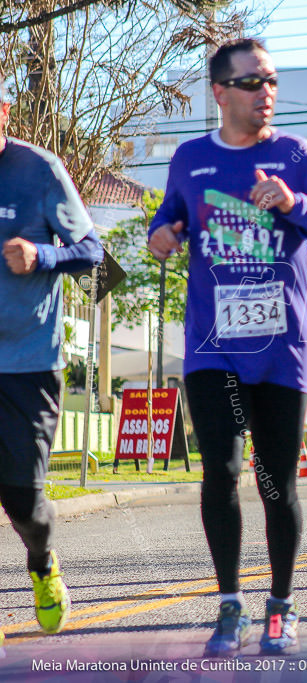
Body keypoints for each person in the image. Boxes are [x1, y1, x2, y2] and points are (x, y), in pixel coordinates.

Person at [147, 39, 307, 656]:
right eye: (252, 82)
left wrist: (296, 204)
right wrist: (162, 235)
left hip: (283, 347)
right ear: (220, 92)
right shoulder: (190, 159)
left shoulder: (295, 155)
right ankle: (229, 605)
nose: (266, 91)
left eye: (271, 80)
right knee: (220, 471)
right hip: (212, 347)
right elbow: (168, 219)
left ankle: (281, 605)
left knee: (276, 482)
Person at [0, 76, 103, 645]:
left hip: (28, 364)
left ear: (5, 112)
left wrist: (42, 254)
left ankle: (41, 563)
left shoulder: (40, 170)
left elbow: (91, 251)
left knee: (23, 499)